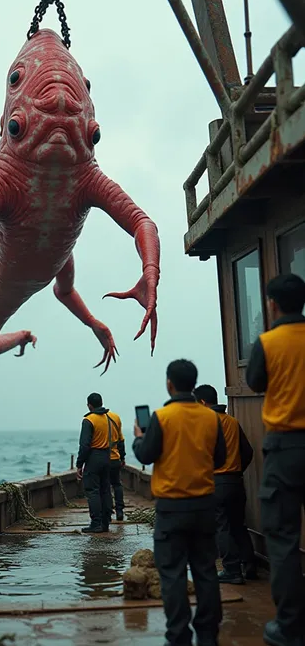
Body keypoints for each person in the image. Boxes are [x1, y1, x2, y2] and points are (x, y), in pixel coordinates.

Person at [133, 359, 226, 646]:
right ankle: (208, 635)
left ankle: (179, 636)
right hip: (204, 506)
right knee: (206, 571)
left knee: (172, 575)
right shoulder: (211, 418)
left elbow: (146, 455)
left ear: (169, 383)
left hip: (172, 508)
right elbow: (220, 459)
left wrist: (139, 438)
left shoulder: (162, 417)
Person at [246, 273, 305, 646]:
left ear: (271, 303)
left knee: (282, 539)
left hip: (284, 448)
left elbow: (255, 382)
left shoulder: (267, 343)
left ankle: (290, 627)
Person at [194, 384, 257, 584]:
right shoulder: (232, 422)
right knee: (239, 525)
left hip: (216, 482)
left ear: (203, 402)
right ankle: (250, 566)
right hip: (236, 482)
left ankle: (232, 570)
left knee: (222, 526)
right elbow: (247, 452)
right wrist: (236, 469)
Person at [76, 392, 116, 533]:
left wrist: (79, 464)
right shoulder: (108, 418)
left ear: (89, 405)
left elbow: (85, 445)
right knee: (105, 490)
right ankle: (105, 522)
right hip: (107, 456)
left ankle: (96, 523)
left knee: (92, 491)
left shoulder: (89, 420)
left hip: (94, 457)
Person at [108, 410, 126, 521]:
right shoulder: (115, 417)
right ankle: (120, 511)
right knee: (117, 484)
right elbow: (121, 440)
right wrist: (122, 457)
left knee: (105, 487)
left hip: (101, 460)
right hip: (115, 459)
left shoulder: (94, 419)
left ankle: (108, 512)